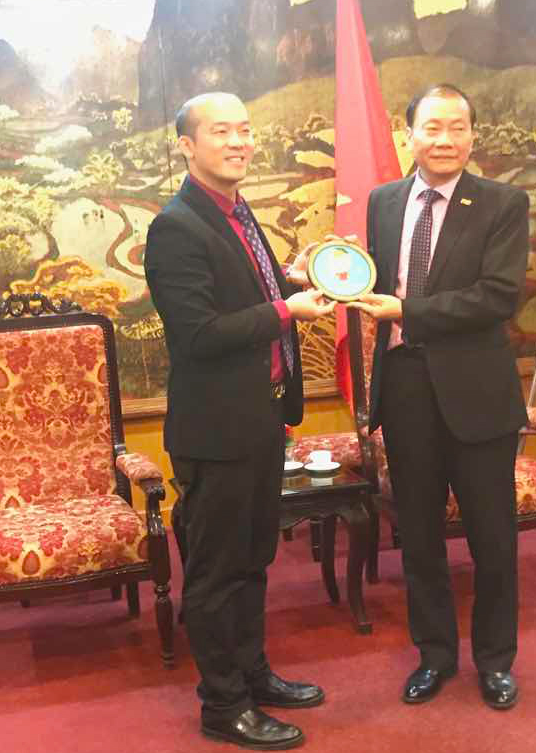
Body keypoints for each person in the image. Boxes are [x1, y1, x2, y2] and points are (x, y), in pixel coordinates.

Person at [145, 92, 336, 750]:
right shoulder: (176, 227)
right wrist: (287, 311)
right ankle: (223, 704)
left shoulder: (234, 208)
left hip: (260, 418)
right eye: (221, 131)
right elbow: (199, 333)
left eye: (245, 130)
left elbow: (242, 289)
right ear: (187, 145)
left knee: (254, 559)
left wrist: (290, 280)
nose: (238, 142)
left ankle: (253, 674)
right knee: (215, 572)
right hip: (216, 432)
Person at [349, 84, 529, 710]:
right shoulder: (384, 201)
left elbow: (497, 297)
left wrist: (408, 310)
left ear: (473, 136)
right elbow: (372, 279)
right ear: (410, 135)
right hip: (404, 387)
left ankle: (496, 661)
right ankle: (434, 655)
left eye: (457, 127)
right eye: (432, 127)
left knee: (492, 538)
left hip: (476, 393)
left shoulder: (503, 203)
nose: (444, 139)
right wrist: (328, 276)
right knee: (419, 536)